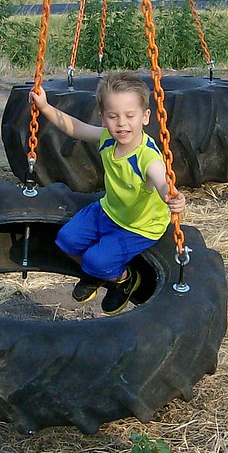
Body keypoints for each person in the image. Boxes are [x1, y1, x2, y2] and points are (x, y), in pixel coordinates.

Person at [29, 71, 186, 315]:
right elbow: (74, 127)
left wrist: (171, 195)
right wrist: (45, 107)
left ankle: (124, 279)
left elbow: (161, 178)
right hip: (109, 211)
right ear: (103, 118)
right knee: (67, 240)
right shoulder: (108, 138)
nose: (121, 123)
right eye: (113, 116)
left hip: (139, 226)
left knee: (95, 260)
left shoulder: (147, 157)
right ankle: (100, 274)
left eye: (129, 116)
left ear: (145, 117)